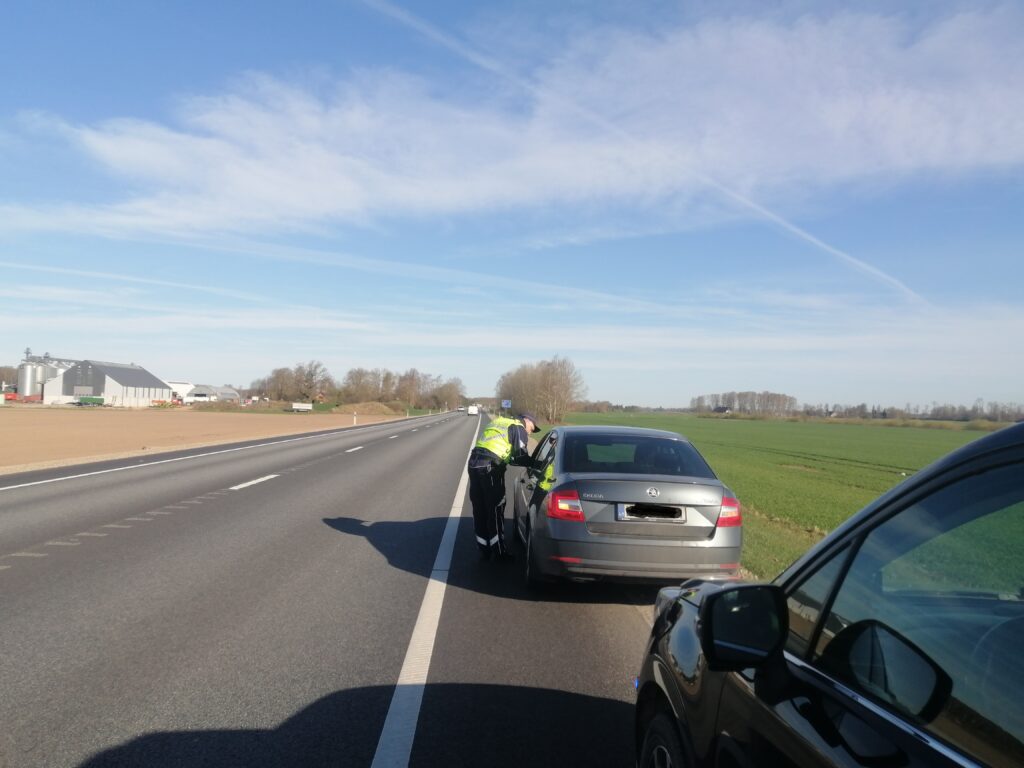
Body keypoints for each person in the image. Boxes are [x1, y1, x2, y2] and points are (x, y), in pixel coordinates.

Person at [467, 410, 541, 561]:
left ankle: (484, 548)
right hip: (491, 467)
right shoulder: (518, 428)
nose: (530, 433)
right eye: (532, 429)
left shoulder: (498, 422)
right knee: (496, 507)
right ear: (526, 421)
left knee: (479, 508)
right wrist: (538, 464)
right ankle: (499, 551)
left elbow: (501, 449)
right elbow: (521, 457)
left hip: (474, 464)